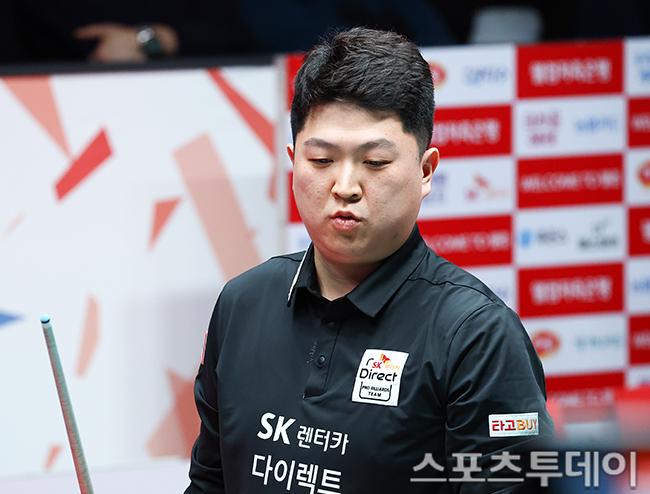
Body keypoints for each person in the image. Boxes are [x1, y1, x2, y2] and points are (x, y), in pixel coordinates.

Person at [185, 27, 553, 493]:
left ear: (425, 171)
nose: (345, 187)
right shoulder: (242, 304)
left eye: (374, 163)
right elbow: (209, 482)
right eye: (321, 161)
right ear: (294, 161)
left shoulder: (475, 335)